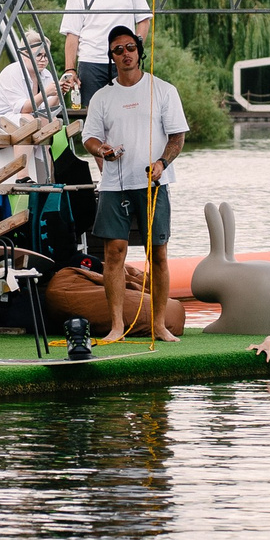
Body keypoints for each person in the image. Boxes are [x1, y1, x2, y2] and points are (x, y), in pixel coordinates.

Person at [79, 23, 185, 343]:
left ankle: (159, 325)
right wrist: (102, 150)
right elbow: (89, 138)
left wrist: (161, 163)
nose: (125, 54)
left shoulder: (163, 90)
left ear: (139, 51)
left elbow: (177, 137)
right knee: (114, 253)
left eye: (130, 48)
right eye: (118, 50)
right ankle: (116, 327)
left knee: (159, 254)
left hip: (153, 183)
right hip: (114, 184)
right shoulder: (103, 97)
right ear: (111, 57)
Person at [58, 0, 152, 110]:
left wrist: (134, 50)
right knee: (93, 112)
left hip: (123, 58)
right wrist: (70, 69)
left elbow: (144, 20)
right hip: (90, 60)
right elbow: (72, 32)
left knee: (129, 109)